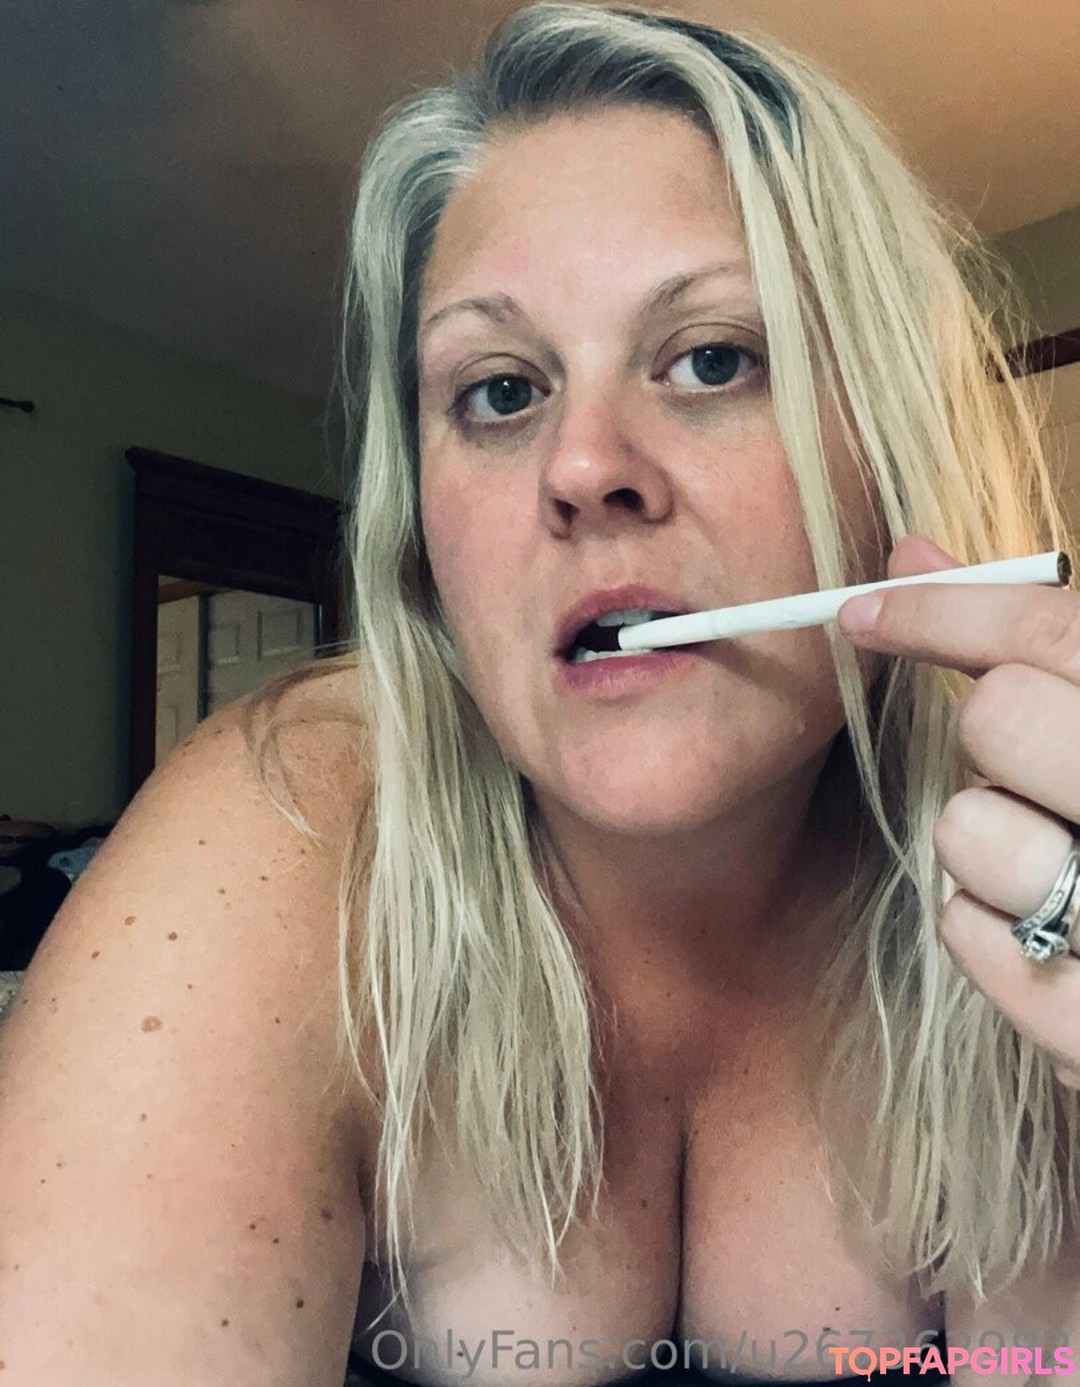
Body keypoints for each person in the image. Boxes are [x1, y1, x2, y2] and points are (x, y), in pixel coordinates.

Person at [1, 4, 1079, 1384]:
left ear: (892, 457)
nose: (582, 466)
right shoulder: (281, 837)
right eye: (502, 391)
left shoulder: (1027, 858)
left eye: (712, 358)